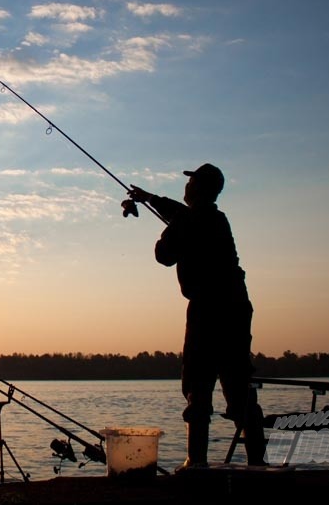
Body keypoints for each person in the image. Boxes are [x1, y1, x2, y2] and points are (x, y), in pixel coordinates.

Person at [127, 163, 267, 469]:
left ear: (198, 188)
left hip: (208, 309)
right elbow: (180, 213)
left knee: (198, 383)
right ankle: (258, 462)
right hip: (236, 306)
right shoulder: (217, 219)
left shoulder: (188, 222)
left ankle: (196, 463)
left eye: (190, 184)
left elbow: (164, 255)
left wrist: (166, 231)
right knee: (238, 385)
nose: (186, 187)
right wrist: (149, 198)